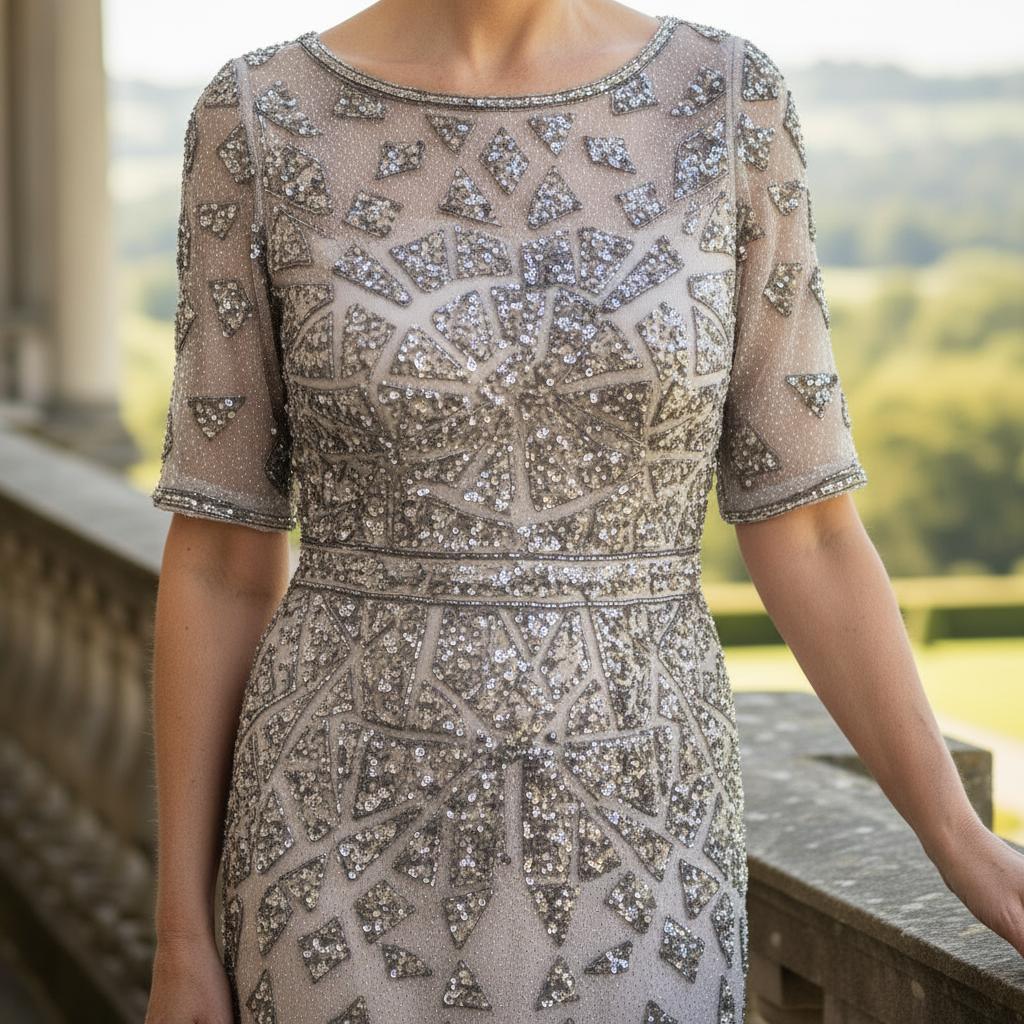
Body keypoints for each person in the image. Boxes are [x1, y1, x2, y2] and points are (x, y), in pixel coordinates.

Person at [143, 2, 1024, 1022]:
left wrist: (964, 845)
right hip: (337, 837)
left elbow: (811, 525)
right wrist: (180, 936)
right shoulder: (256, 115)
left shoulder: (732, 98)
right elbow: (218, 555)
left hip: (641, 840)